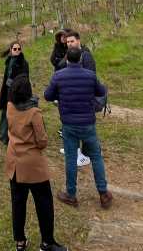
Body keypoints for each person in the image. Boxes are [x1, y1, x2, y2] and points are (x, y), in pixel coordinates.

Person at [6, 73, 69, 251]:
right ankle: (47, 242)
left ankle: (20, 241)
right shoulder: (34, 113)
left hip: (14, 163)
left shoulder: (9, 107)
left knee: (18, 203)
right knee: (44, 202)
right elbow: (42, 141)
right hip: (33, 166)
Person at [44, 46, 113, 210]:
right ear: (81, 59)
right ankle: (103, 193)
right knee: (96, 157)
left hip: (69, 125)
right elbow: (101, 91)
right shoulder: (90, 76)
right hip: (88, 124)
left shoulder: (58, 76)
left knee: (70, 159)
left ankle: (71, 194)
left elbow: (47, 95)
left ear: (67, 59)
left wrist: (59, 95)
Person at [56, 29, 94, 168]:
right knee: (67, 124)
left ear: (78, 41)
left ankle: (83, 155)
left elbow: (91, 77)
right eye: (67, 42)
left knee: (79, 126)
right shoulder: (69, 55)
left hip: (81, 98)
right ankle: (71, 149)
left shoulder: (86, 56)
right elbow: (60, 66)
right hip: (68, 97)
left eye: (72, 41)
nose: (69, 44)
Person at [0, 41, 29, 145]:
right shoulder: (9, 60)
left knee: (12, 115)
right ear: (11, 50)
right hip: (7, 90)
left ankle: (9, 137)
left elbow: (24, 80)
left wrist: (13, 84)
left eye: (18, 49)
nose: (17, 51)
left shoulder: (23, 63)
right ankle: (3, 134)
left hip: (16, 92)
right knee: (4, 112)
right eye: (14, 49)